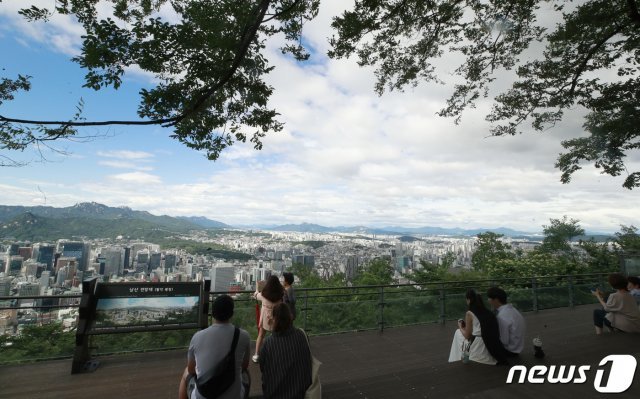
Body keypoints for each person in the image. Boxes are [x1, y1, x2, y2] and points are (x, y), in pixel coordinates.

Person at [179, 295, 250, 399]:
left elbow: (191, 369)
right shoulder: (243, 336)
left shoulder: (198, 336)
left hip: (203, 395)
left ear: (212, 314)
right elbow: (244, 366)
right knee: (246, 374)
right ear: (232, 314)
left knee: (186, 373)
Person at [259, 302, 312, 399]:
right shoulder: (302, 335)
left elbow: (262, 366)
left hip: (273, 393)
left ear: (274, 319)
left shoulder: (269, 342)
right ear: (290, 317)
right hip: (299, 392)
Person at [448, 289, 507, 365]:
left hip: (479, 346)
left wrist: (460, 326)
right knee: (461, 334)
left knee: (458, 332)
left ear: (469, 300)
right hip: (492, 345)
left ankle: (456, 358)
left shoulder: (470, 313)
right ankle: (459, 357)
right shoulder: (488, 312)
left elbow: (467, 336)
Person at [252, 275, 284, 363]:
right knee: (277, 336)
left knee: (261, 335)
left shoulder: (263, 294)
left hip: (265, 318)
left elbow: (255, 295)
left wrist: (258, 287)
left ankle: (256, 354)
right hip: (276, 317)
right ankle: (278, 354)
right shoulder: (280, 294)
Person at [486, 287, 526, 356]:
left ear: (496, 300)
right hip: (517, 346)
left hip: (510, 350)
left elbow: (504, 341)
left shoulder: (502, 316)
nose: (488, 301)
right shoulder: (513, 310)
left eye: (489, 298)